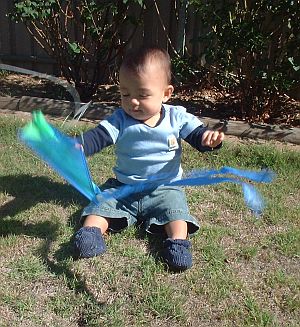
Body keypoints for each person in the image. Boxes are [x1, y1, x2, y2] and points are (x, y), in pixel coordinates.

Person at [74, 46, 224, 271]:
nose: (133, 102)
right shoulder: (120, 120)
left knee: (176, 212)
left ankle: (178, 244)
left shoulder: (177, 117)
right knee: (101, 204)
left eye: (142, 95)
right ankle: (90, 234)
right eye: (125, 94)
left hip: (166, 189)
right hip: (124, 188)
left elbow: (197, 135)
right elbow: (98, 137)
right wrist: (79, 146)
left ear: (166, 93)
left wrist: (208, 139)